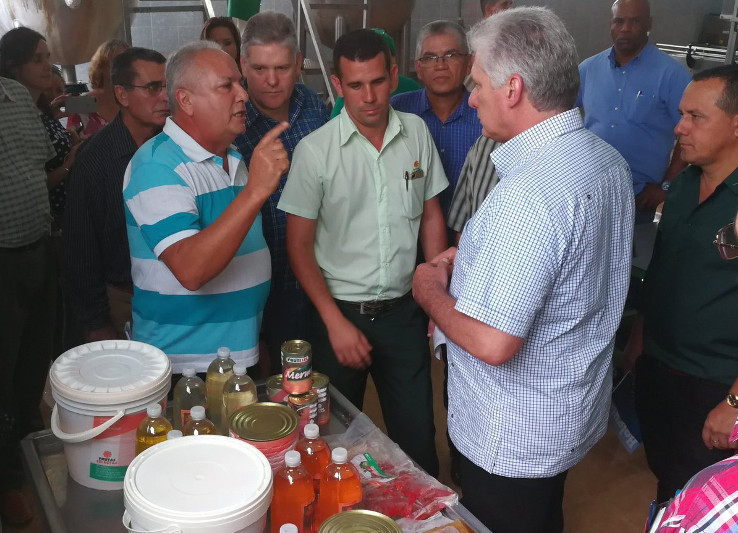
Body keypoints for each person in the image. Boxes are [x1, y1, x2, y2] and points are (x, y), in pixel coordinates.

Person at [412, 7, 634, 533]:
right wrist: (473, 260)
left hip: (509, 439)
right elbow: (570, 268)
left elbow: (493, 344)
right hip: (562, 416)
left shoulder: (528, 195)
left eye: (478, 83)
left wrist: (430, 293)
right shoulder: (604, 161)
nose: (471, 97)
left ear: (513, 88)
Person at [279, 29, 448, 476]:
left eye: (376, 81)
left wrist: (436, 297)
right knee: (335, 445)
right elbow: (297, 246)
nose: (368, 96)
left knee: (416, 441)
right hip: (338, 315)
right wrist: (334, 322)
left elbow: (431, 215)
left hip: (404, 314)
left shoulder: (416, 133)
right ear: (337, 84)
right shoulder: (314, 152)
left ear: (394, 75)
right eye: (355, 85)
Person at [123, 41, 289, 374]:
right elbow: (191, 269)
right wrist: (255, 191)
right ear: (185, 100)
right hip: (187, 367)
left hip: (237, 355)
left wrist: (256, 344)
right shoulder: (157, 166)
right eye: (227, 86)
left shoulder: (234, 157)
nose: (243, 95)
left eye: (240, 83)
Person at [624, 65, 738, 504]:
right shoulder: (684, 186)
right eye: (681, 114)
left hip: (717, 382)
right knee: (670, 480)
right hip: (661, 367)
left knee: (707, 501)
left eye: (696, 116)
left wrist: (733, 404)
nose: (679, 126)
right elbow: (662, 271)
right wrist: (639, 337)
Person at [233, 11, 329, 374]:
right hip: (263, 287)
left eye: (282, 68)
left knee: (323, 385)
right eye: (258, 69)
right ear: (243, 63)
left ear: (299, 63)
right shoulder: (233, 127)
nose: (271, 81)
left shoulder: (313, 108)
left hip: (323, 275)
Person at [63, 47, 169, 343]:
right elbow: (81, 248)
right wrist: (96, 323)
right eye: (152, 88)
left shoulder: (177, 145)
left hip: (181, 298)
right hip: (125, 301)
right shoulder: (96, 158)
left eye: (167, 86)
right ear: (122, 95)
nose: (164, 97)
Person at [0, 75, 57, 526]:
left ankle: (27, 452)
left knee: (31, 363)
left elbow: (40, 164)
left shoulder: (16, 94)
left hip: (37, 245)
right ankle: (7, 481)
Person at [578, 0, 691, 223]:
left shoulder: (672, 75)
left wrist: (666, 186)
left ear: (649, 23)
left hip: (639, 200)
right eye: (619, 21)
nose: (625, 28)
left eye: (635, 21)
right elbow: (559, 119)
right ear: (611, 24)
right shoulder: (588, 69)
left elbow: (690, 133)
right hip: (588, 193)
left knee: (631, 258)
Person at [391, 20, 481, 217]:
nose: (440, 65)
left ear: (469, 63)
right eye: (430, 57)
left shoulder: (485, 116)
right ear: (418, 68)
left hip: (469, 237)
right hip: (407, 235)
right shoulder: (396, 110)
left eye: (451, 55)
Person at [0, 27, 83, 229]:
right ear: (13, 66)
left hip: (62, 217)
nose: (48, 67)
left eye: (47, 58)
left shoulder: (45, 109)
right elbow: (32, 181)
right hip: (43, 224)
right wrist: (70, 161)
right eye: (37, 60)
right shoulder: (11, 114)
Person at [329, 28, 421, 119]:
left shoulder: (416, 127)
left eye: (378, 81)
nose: (369, 98)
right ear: (339, 86)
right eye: (356, 85)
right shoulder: (346, 98)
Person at [67, 39, 130, 136]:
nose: (122, 69)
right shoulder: (81, 103)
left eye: (127, 64)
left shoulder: (136, 102)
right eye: (116, 63)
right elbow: (71, 141)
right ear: (100, 67)